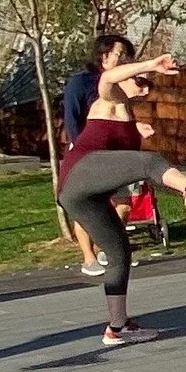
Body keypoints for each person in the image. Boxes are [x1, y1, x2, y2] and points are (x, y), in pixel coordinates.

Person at [57, 44, 186, 345]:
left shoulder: (129, 115)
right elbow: (109, 76)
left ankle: (117, 328)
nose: (142, 89)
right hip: (78, 174)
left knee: (119, 253)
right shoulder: (108, 97)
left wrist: (137, 129)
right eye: (139, 81)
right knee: (149, 161)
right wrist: (151, 64)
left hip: (81, 195)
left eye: (145, 86)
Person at [62, 35, 133, 277]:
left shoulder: (125, 82)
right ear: (104, 57)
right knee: (88, 205)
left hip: (116, 153)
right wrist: (79, 147)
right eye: (119, 54)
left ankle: (109, 248)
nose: (124, 59)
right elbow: (72, 118)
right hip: (87, 152)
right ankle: (89, 257)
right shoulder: (80, 83)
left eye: (127, 55)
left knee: (123, 203)